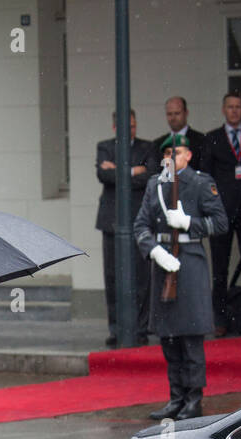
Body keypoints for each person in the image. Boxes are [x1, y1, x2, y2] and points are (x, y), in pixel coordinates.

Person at [134, 132, 229, 421]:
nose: (170, 159)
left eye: (176, 154)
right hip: (163, 264)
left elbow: (221, 223)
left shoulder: (200, 183)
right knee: (168, 337)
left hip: (189, 264)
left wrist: (189, 223)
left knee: (190, 337)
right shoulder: (156, 185)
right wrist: (154, 251)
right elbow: (141, 225)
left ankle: (193, 399)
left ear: (188, 156)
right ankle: (175, 397)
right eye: (166, 155)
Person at [202, 92, 241, 336]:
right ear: (223, 110)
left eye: (239, 107)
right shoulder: (213, 138)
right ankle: (219, 318)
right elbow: (206, 176)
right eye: (230, 107)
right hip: (221, 212)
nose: (235, 111)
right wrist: (211, 207)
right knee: (220, 268)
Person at [96, 109, 156, 347]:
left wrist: (119, 171)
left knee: (142, 277)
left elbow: (150, 175)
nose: (130, 130)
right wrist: (133, 170)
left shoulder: (148, 147)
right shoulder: (104, 146)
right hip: (111, 220)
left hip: (139, 218)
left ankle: (141, 328)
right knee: (112, 277)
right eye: (124, 127)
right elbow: (103, 175)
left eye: (132, 126)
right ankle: (116, 328)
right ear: (114, 128)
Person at [157, 96, 207, 171]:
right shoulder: (158, 143)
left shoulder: (201, 140)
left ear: (186, 113)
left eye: (177, 113)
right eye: (169, 114)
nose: (173, 118)